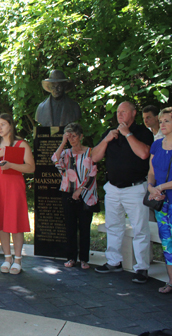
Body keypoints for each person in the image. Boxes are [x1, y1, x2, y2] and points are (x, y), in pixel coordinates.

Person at [92, 101, 153, 283]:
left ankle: (141, 267)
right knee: (113, 225)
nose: (119, 115)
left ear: (134, 113)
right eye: (118, 112)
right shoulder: (111, 133)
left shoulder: (142, 133)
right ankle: (113, 261)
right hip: (113, 188)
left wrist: (128, 135)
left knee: (140, 228)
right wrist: (106, 139)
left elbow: (144, 154)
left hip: (135, 188)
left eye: (123, 112)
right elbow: (94, 157)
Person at [0, 113, 35, 275]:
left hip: (14, 187)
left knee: (15, 222)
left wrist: (12, 165)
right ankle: (7, 258)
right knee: (2, 222)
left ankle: (18, 259)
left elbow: (31, 168)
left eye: (3, 125)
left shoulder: (21, 144)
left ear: (10, 126)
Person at [52, 123, 98, 270]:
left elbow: (93, 173)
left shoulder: (90, 152)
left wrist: (80, 190)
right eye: (68, 136)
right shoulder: (65, 154)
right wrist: (63, 142)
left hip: (86, 195)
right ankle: (71, 257)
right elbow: (54, 159)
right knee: (70, 227)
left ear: (81, 136)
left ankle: (84, 259)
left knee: (84, 228)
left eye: (74, 135)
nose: (71, 138)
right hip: (67, 194)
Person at [146, 107, 172, 293]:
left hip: (166, 194)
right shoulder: (156, 145)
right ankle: (171, 282)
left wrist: (161, 187)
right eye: (161, 121)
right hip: (161, 203)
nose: (162, 124)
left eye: (167, 121)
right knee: (167, 243)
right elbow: (151, 172)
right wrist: (150, 188)